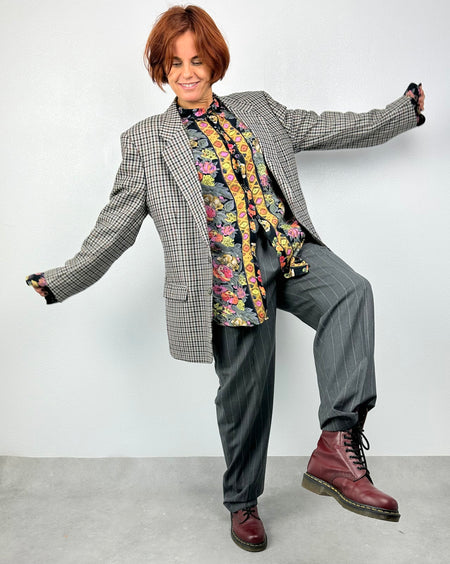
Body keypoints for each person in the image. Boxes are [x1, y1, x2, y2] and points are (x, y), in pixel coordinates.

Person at [26, 5, 425, 553]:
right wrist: (62, 279)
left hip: (288, 254)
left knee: (351, 292)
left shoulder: (258, 109)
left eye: (196, 60)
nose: (187, 72)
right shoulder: (147, 142)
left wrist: (401, 112)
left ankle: (337, 443)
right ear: (162, 71)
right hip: (227, 280)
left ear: (214, 62)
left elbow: (331, 127)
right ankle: (242, 502)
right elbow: (115, 227)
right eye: (174, 63)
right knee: (246, 396)